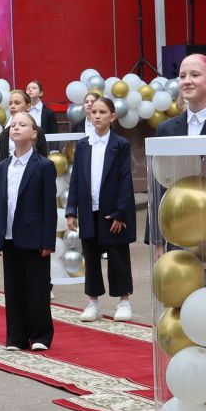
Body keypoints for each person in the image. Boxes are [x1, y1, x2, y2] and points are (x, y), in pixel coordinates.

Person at [65, 95, 135, 322]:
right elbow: (76, 178)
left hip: (112, 210)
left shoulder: (120, 145)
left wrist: (120, 212)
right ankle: (92, 303)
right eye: (93, 112)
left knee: (117, 256)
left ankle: (123, 301)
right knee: (91, 256)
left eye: (102, 112)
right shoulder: (83, 145)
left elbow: (126, 180)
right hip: (88, 209)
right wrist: (71, 210)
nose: (97, 116)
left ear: (112, 116)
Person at [0, 109, 57, 352]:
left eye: (22, 125)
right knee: (14, 288)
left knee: (37, 287)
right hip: (9, 236)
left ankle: (41, 335)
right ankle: (16, 337)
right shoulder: (3, 166)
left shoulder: (43, 166)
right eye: (13, 125)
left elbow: (49, 207)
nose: (16, 128)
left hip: (34, 236)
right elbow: (0, 204)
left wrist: (48, 241)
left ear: (34, 133)